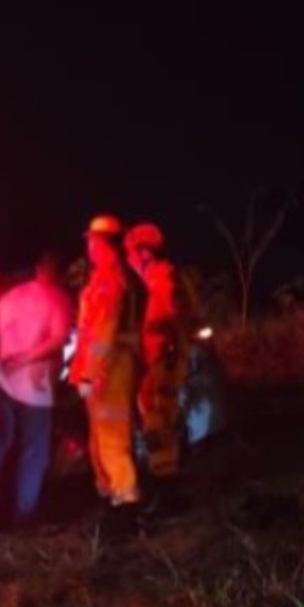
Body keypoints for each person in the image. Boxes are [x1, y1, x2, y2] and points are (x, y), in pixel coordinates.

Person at [0, 250, 73, 530]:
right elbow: (60, 338)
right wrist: (26, 358)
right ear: (58, 272)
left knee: (5, 446)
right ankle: (24, 515)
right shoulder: (58, 299)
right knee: (34, 451)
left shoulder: (12, 296)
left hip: (6, 385)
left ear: (37, 268)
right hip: (36, 388)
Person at [67, 214, 142, 520]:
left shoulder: (112, 281)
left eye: (94, 242)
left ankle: (127, 499)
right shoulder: (104, 277)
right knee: (99, 435)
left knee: (112, 434)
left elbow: (104, 333)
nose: (90, 248)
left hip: (111, 368)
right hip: (101, 368)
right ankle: (111, 493)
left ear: (105, 244)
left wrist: (89, 373)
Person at [124, 222, 195, 512]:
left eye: (132, 253)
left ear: (145, 252)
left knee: (158, 421)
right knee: (155, 419)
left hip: (162, 360)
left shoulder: (163, 279)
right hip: (157, 359)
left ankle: (168, 490)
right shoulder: (157, 279)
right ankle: (165, 481)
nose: (130, 260)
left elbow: (170, 321)